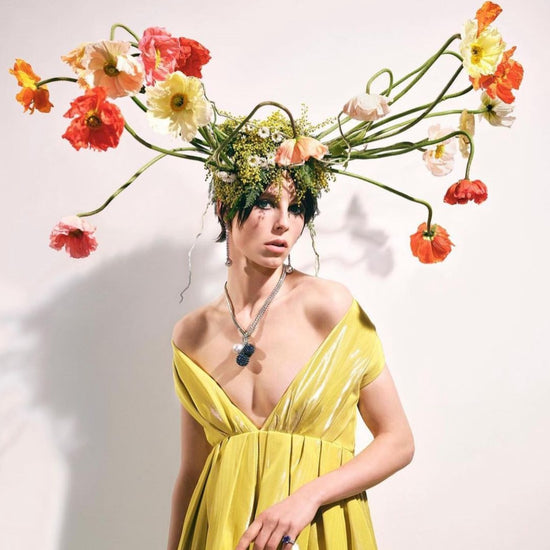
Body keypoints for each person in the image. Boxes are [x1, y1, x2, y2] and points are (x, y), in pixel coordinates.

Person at [167, 170, 414, 550]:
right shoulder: (191, 335)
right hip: (220, 532)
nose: (284, 221)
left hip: (317, 528)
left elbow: (397, 441)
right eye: (265, 203)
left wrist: (307, 498)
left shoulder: (328, 307)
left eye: (297, 208)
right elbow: (192, 473)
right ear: (223, 208)